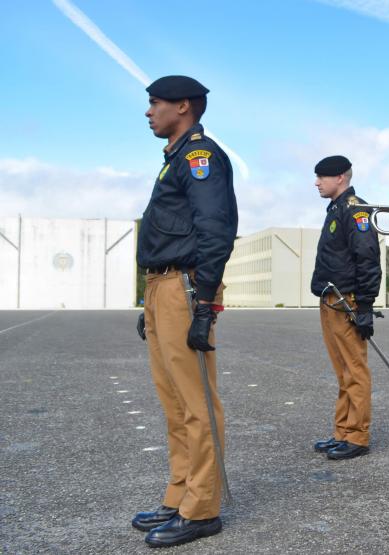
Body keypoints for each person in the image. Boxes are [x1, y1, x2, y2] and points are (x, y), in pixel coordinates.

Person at [133, 75, 238, 547]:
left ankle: (202, 509)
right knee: (173, 400)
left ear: (182, 106)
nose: (149, 111)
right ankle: (179, 494)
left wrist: (204, 302)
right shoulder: (174, 159)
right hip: (162, 286)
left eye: (155, 103)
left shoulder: (201, 156)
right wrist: (150, 302)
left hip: (185, 286)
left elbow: (215, 227)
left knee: (197, 401)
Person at [309, 155, 381, 460]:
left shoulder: (356, 210)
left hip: (348, 301)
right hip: (330, 300)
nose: (317, 182)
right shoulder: (335, 210)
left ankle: (357, 436)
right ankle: (343, 431)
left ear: (341, 177)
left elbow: (367, 256)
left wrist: (364, 305)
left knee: (355, 371)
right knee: (342, 372)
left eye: (322, 177)